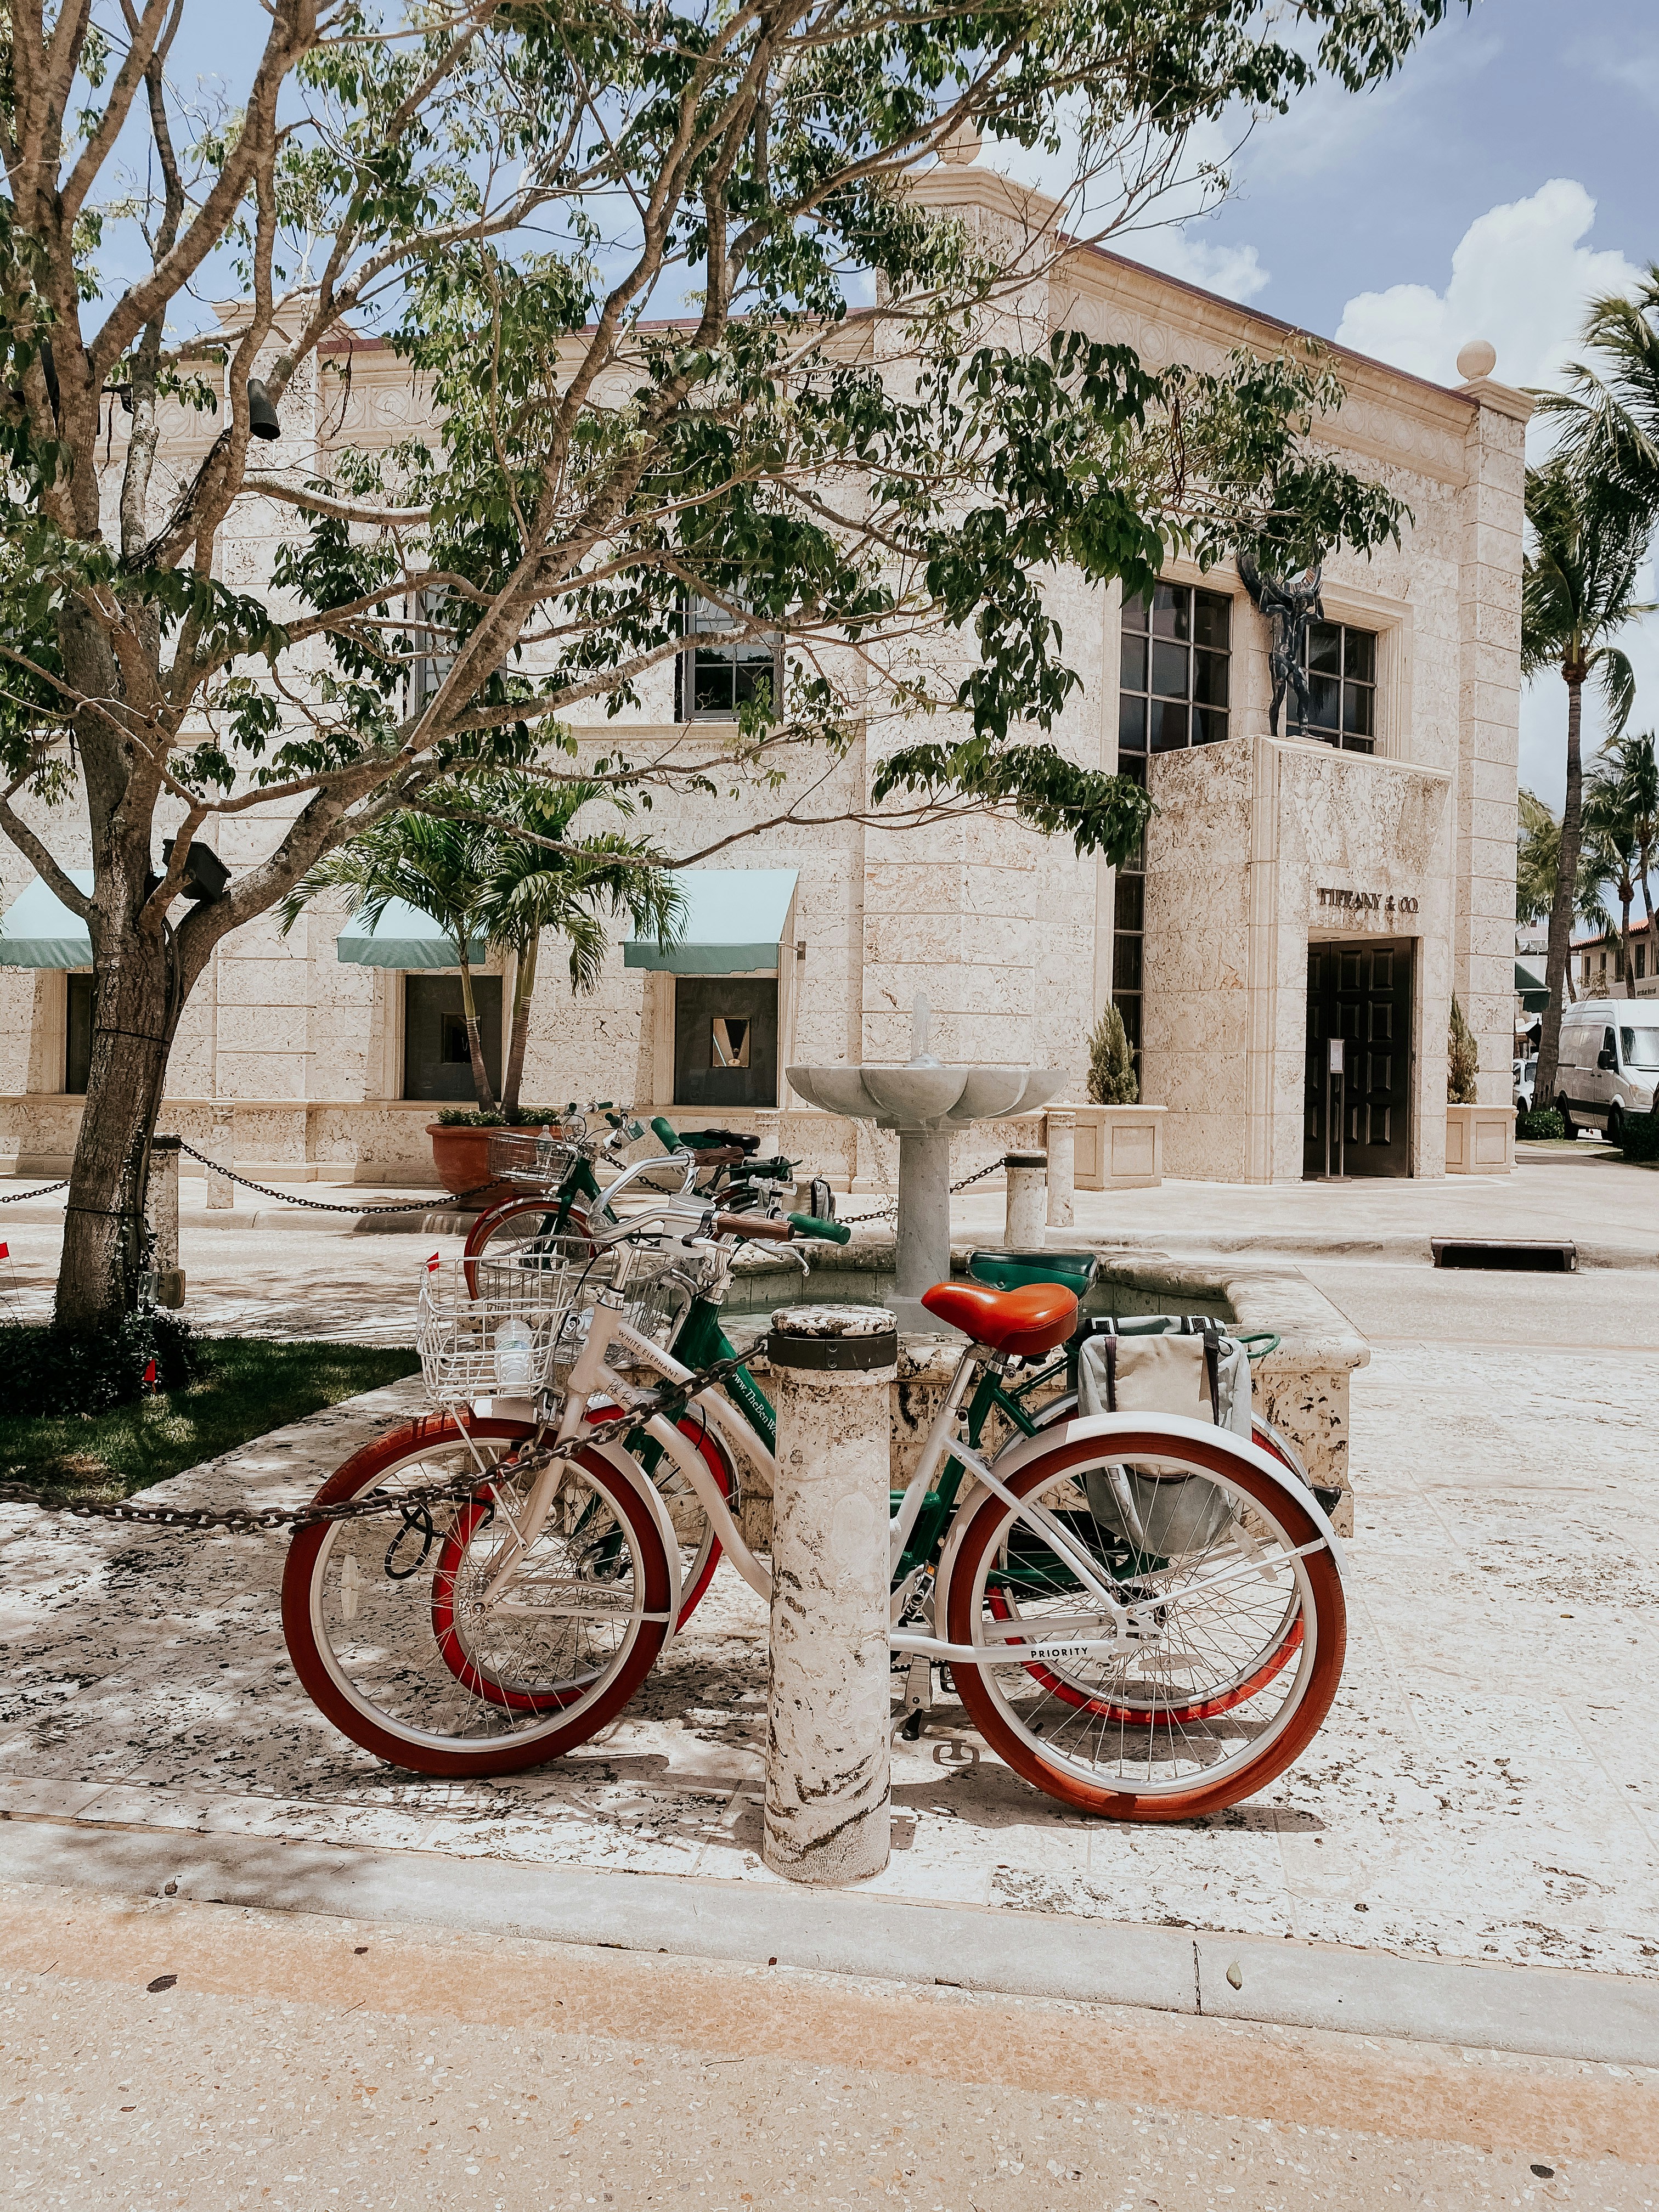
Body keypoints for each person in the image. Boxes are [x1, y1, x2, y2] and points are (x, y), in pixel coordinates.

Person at [1238, 549, 1324, 737]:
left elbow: (1319, 617)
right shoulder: (1282, 612)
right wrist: (1264, 590)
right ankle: (1274, 733)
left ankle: (1304, 730)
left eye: (1305, 604)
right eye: (1302, 602)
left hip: (1293, 663)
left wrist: (1317, 597)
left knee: (1305, 693)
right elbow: (1263, 609)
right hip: (1280, 659)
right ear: (1295, 601)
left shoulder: (1302, 620)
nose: (1303, 606)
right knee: (1279, 696)